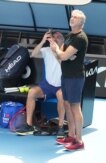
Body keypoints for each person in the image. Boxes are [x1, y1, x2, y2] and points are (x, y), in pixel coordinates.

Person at [50, 9, 88, 151]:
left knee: (75, 107)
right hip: (65, 76)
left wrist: (57, 49)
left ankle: (79, 141)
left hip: (75, 77)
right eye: (72, 16)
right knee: (67, 105)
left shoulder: (80, 38)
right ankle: (71, 135)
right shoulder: (69, 36)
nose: (72, 18)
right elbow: (61, 57)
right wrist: (57, 46)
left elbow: (64, 56)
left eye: (76, 17)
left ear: (81, 22)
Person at [16, 30, 65, 138]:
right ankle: (29, 125)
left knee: (61, 96)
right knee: (32, 92)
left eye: (59, 36)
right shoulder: (46, 50)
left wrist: (56, 50)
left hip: (61, 86)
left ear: (63, 39)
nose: (56, 38)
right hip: (47, 85)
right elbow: (33, 54)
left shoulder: (66, 52)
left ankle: (61, 127)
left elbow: (63, 60)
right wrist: (43, 41)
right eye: (54, 36)